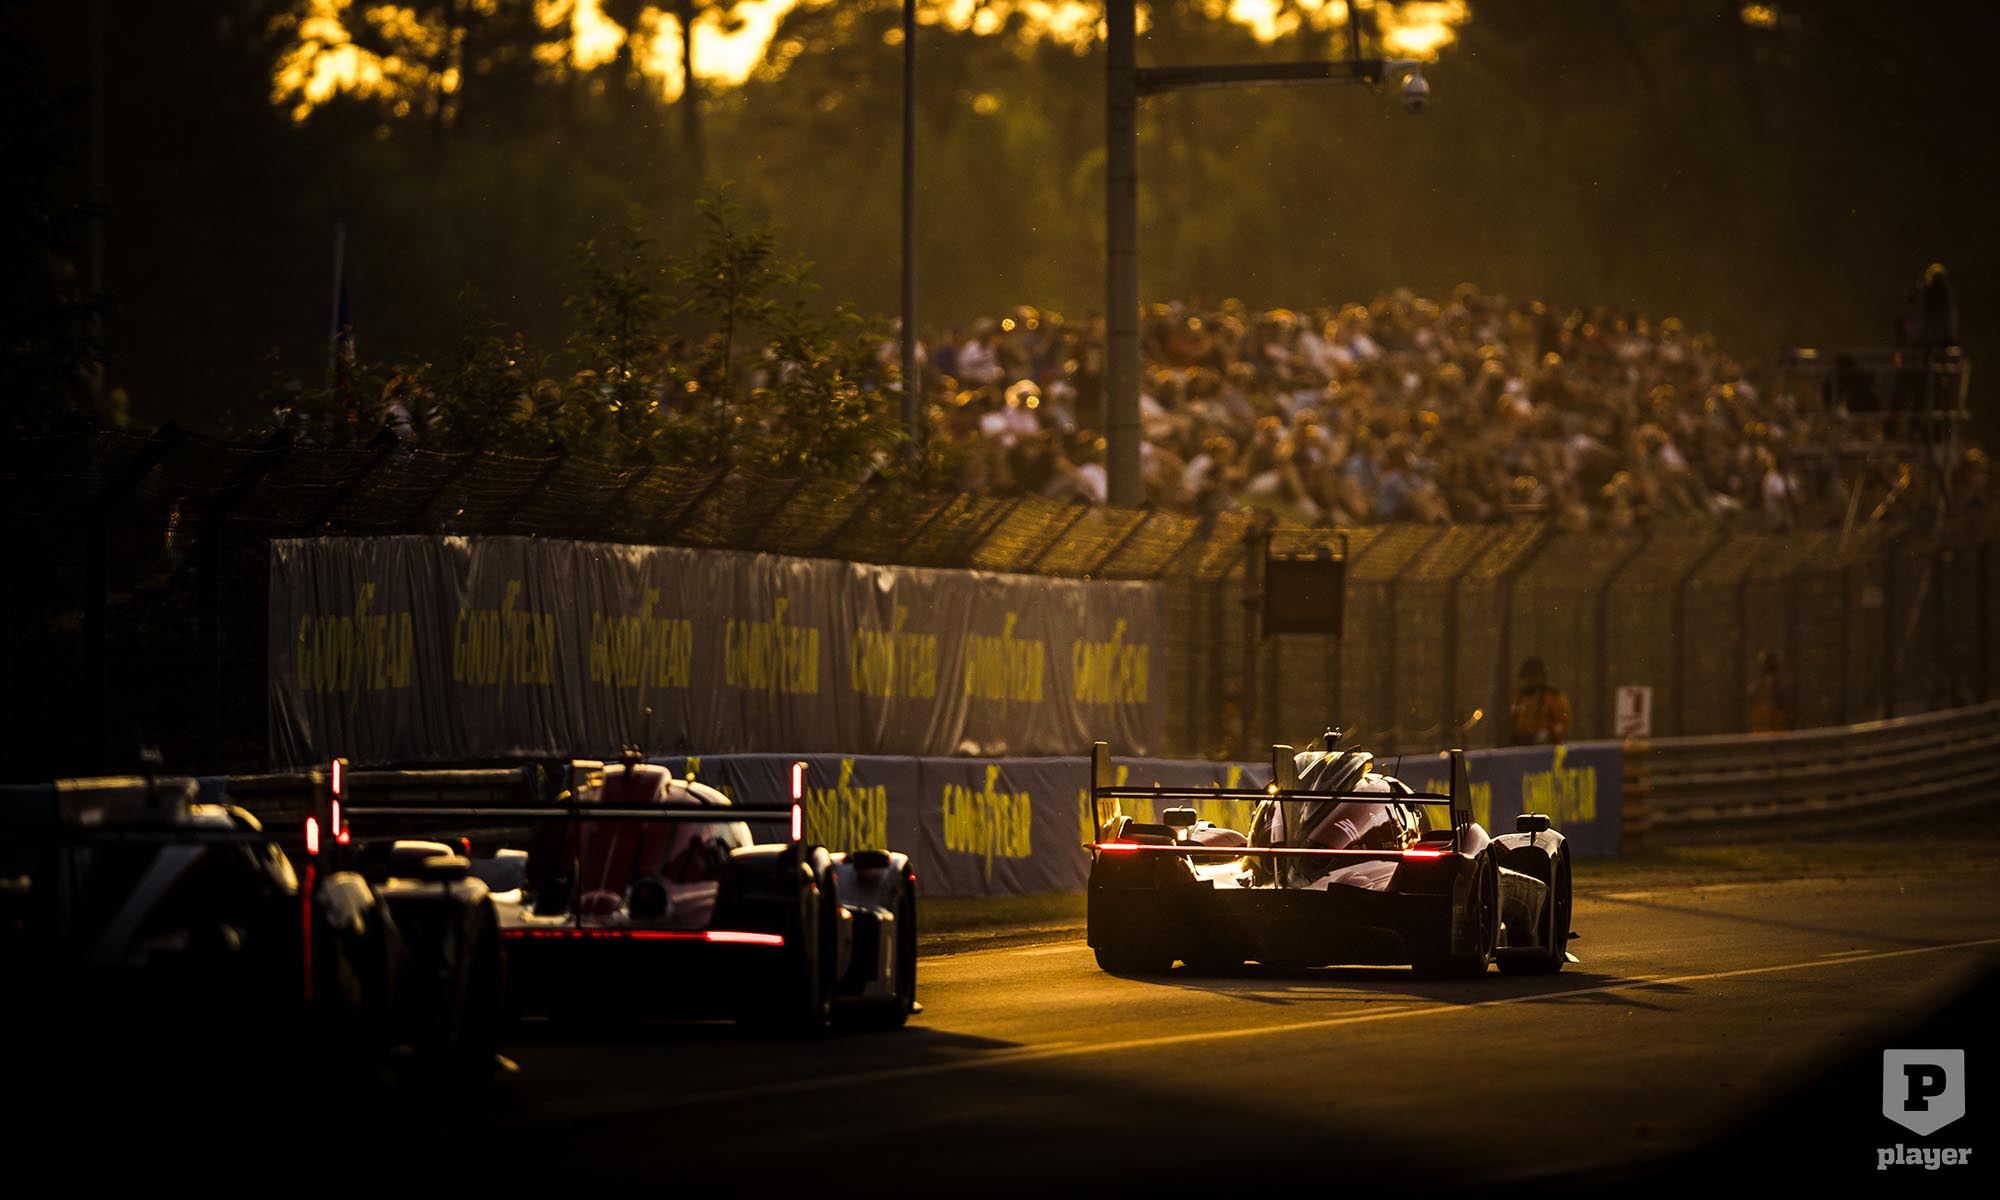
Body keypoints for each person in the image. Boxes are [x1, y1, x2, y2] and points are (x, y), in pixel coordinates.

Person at [1508, 657, 1572, 745]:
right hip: (1520, 746)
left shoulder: (1554, 697)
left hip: (1546, 747)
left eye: (1535, 674)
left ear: (1543, 676)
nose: (1530, 678)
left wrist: (1548, 734)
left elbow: (1563, 723)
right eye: (1527, 674)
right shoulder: (1516, 697)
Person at [1747, 648, 1793, 733]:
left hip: (1777, 729)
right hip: (1762, 729)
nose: (1767, 666)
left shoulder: (1780, 685)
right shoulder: (1758, 686)